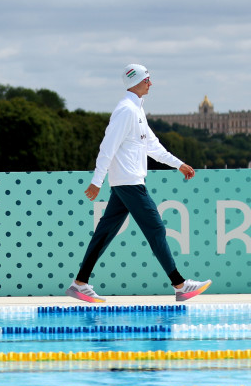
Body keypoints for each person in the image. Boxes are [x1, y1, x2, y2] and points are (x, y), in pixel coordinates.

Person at [68, 64, 212, 303]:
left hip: (125, 183)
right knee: (156, 229)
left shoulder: (136, 110)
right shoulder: (126, 111)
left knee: (104, 233)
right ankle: (180, 284)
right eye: (148, 79)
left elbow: (153, 147)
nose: (150, 83)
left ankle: (79, 283)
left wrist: (179, 164)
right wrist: (96, 181)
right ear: (137, 81)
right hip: (130, 183)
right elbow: (107, 147)